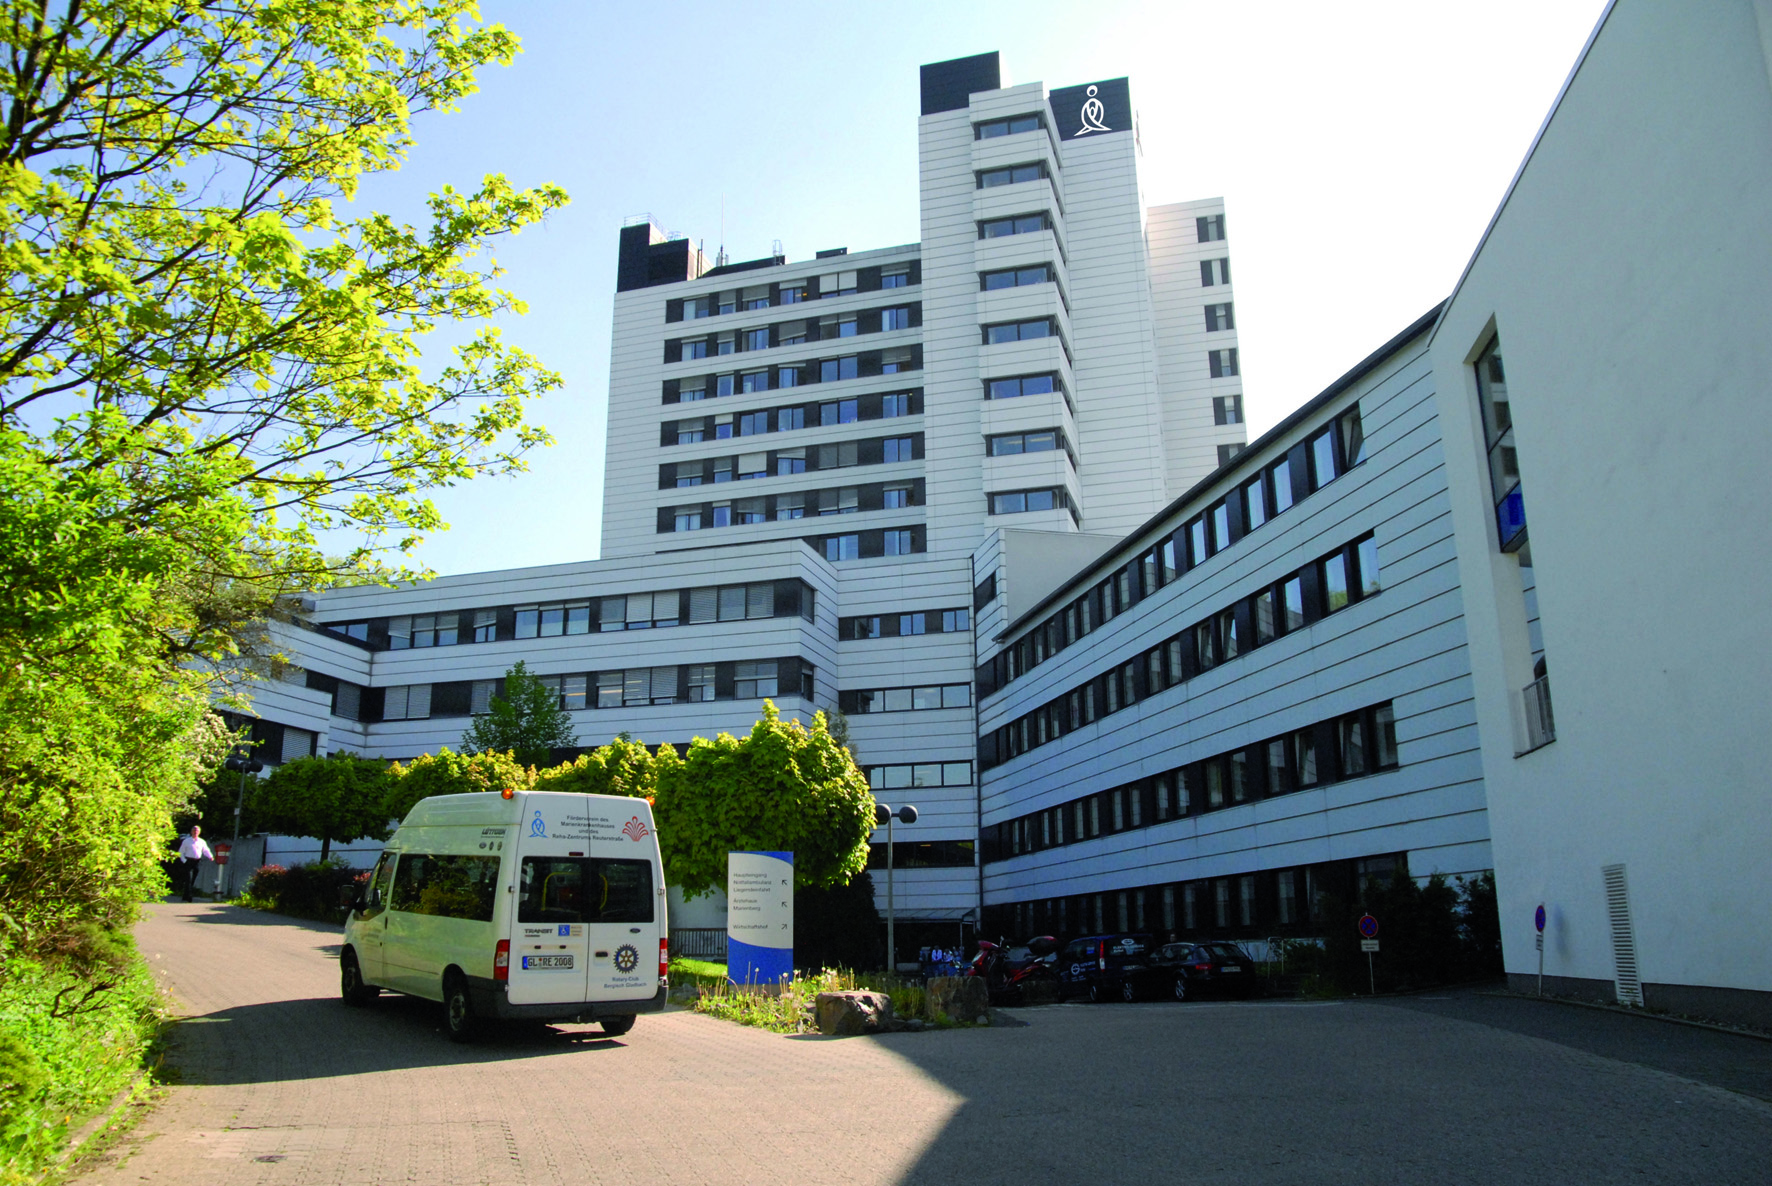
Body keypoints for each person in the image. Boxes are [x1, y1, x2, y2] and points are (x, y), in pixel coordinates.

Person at [174, 825, 214, 902]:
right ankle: (189, 896)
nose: (195, 832)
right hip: (188, 861)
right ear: (191, 832)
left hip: (197, 861)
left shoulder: (201, 841)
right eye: (194, 830)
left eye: (197, 831)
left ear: (199, 832)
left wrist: (210, 856)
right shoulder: (186, 841)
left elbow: (205, 850)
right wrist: (184, 861)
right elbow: (180, 852)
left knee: (193, 879)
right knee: (188, 879)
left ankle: (186, 894)